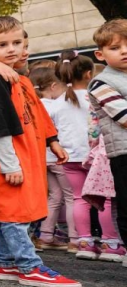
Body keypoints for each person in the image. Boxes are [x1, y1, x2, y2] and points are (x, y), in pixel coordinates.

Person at [0, 16, 79, 287]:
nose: (12, 49)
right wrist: (9, 165)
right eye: (2, 45)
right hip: (5, 159)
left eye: (17, 42)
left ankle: (5, 263)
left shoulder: (19, 78)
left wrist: (52, 140)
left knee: (13, 212)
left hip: (23, 155)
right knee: (15, 214)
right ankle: (30, 266)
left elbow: (37, 113)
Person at [33, 61, 115, 259]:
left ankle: (82, 242)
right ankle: (110, 243)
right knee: (105, 199)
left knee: (77, 198)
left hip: (67, 156)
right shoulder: (94, 96)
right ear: (88, 74)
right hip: (94, 156)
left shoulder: (56, 103)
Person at [87, 19, 127, 263]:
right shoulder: (102, 82)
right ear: (100, 55)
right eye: (115, 47)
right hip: (124, 152)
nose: (124, 51)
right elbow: (124, 117)